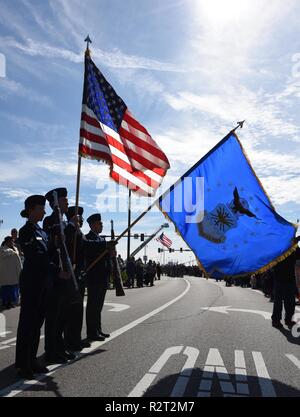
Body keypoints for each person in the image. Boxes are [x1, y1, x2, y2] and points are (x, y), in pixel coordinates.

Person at [15, 195, 55, 379]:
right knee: (27, 324)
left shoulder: (43, 231)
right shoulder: (26, 231)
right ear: (30, 210)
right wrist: (55, 268)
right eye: (40, 208)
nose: (44, 212)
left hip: (44, 281)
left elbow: (49, 252)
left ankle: (32, 359)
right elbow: (37, 255)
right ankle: (23, 364)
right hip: (32, 282)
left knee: (37, 323)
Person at [43, 187, 74, 364]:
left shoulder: (62, 220)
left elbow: (68, 245)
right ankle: (51, 351)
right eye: (64, 200)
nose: (67, 202)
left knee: (63, 315)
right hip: (56, 275)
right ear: (56, 202)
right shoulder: (51, 221)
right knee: (53, 316)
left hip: (66, 272)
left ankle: (59, 347)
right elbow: (52, 248)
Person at [85, 213, 115, 341]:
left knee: (99, 306)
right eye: (99, 223)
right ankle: (92, 332)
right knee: (93, 306)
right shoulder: (88, 239)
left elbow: (106, 259)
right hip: (94, 278)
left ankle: (98, 329)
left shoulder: (101, 240)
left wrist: (111, 254)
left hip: (102, 277)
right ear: (92, 225)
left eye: (101, 223)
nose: (101, 225)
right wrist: (106, 247)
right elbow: (91, 251)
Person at [272, 238, 300, 329]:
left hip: (290, 279)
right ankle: (276, 320)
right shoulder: (278, 248)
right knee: (278, 301)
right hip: (279, 279)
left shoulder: (294, 249)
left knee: (290, 302)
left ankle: (288, 320)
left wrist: (297, 241)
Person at [0, 236, 22, 309]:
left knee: (12, 288)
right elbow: (3, 254)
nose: (12, 243)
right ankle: (5, 302)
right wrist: (13, 252)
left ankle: (10, 303)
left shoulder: (15, 249)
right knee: (6, 288)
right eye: (11, 241)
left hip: (14, 271)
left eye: (13, 241)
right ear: (7, 242)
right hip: (6, 272)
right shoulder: (3, 249)